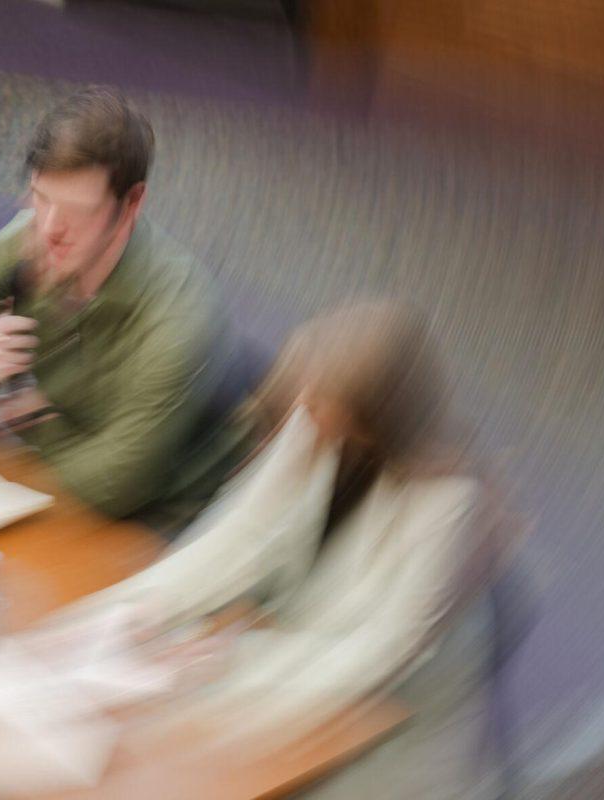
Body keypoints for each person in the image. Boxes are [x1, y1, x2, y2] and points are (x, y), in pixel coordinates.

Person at [54, 301, 523, 797]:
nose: (304, 408)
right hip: (308, 675)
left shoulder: (448, 503)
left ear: (377, 413)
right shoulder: (320, 423)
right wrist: (134, 609)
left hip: (391, 733)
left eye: (321, 400)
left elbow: (378, 651)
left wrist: (232, 661)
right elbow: (241, 534)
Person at [0, 86, 257, 526]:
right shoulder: (23, 249)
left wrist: (32, 419)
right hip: (52, 487)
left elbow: (115, 487)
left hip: (165, 523)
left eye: (78, 209)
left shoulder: (177, 317)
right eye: (41, 198)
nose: (50, 228)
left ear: (131, 204)